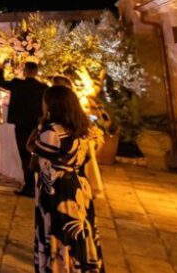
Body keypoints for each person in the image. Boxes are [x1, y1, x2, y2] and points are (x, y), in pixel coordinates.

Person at [31, 86, 105, 272]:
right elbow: (91, 155)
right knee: (79, 232)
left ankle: (59, 267)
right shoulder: (85, 129)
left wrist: (39, 126)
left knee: (58, 231)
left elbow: (33, 154)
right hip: (79, 185)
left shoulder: (52, 132)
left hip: (58, 189)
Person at [0, 61, 48, 196]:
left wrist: (1, 68)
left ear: (25, 72)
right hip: (36, 126)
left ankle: (29, 187)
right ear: (36, 72)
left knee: (25, 155)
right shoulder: (43, 87)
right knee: (35, 154)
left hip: (21, 124)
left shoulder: (17, 84)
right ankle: (36, 186)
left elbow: (0, 82)